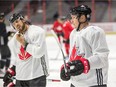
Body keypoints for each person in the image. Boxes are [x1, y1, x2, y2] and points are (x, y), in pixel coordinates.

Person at [60, 5, 109, 87]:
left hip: (93, 83)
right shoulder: (73, 33)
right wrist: (67, 67)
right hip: (75, 83)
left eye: (73, 18)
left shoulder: (95, 32)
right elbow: (74, 56)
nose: (71, 21)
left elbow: (102, 58)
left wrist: (84, 64)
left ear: (82, 18)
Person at [3, 13, 49, 87]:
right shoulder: (15, 38)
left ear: (23, 20)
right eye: (13, 24)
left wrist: (24, 43)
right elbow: (17, 58)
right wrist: (11, 70)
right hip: (20, 78)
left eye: (17, 21)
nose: (16, 24)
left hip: (36, 76)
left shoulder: (37, 32)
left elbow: (39, 53)